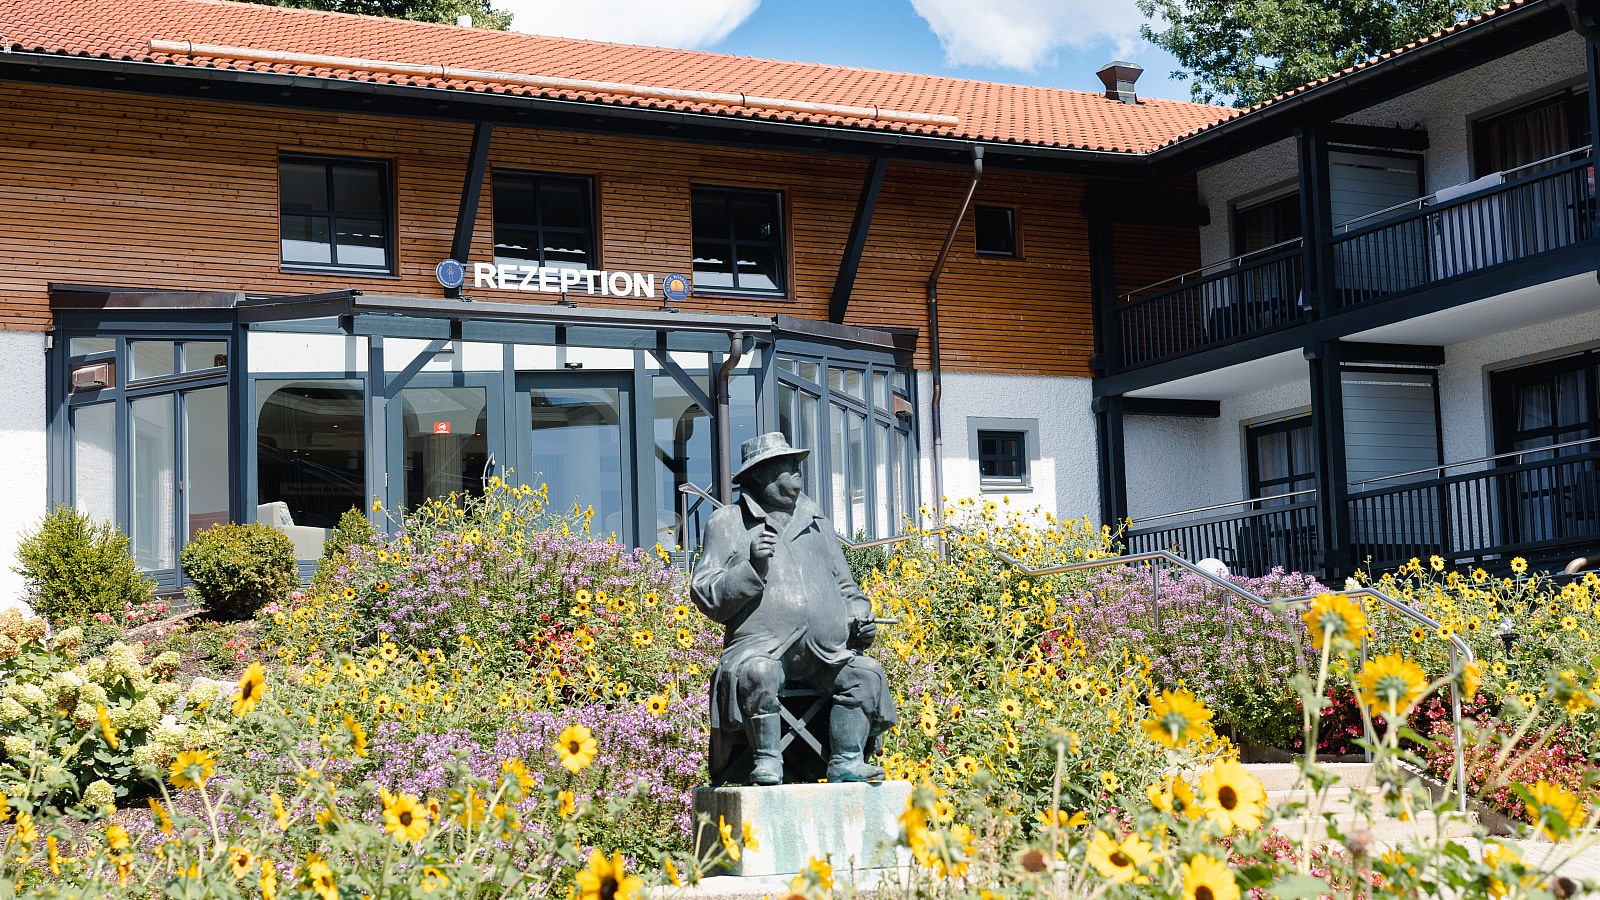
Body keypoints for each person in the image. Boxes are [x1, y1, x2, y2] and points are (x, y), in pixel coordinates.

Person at [691, 433, 897, 785]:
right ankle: (767, 759)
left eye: (797, 466)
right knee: (758, 672)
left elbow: (848, 588)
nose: (797, 474)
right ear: (761, 476)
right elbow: (706, 594)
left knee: (867, 673)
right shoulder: (728, 523)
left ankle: (846, 761)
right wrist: (752, 567)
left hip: (825, 653)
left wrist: (860, 617)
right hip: (762, 647)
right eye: (788, 467)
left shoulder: (819, 524)